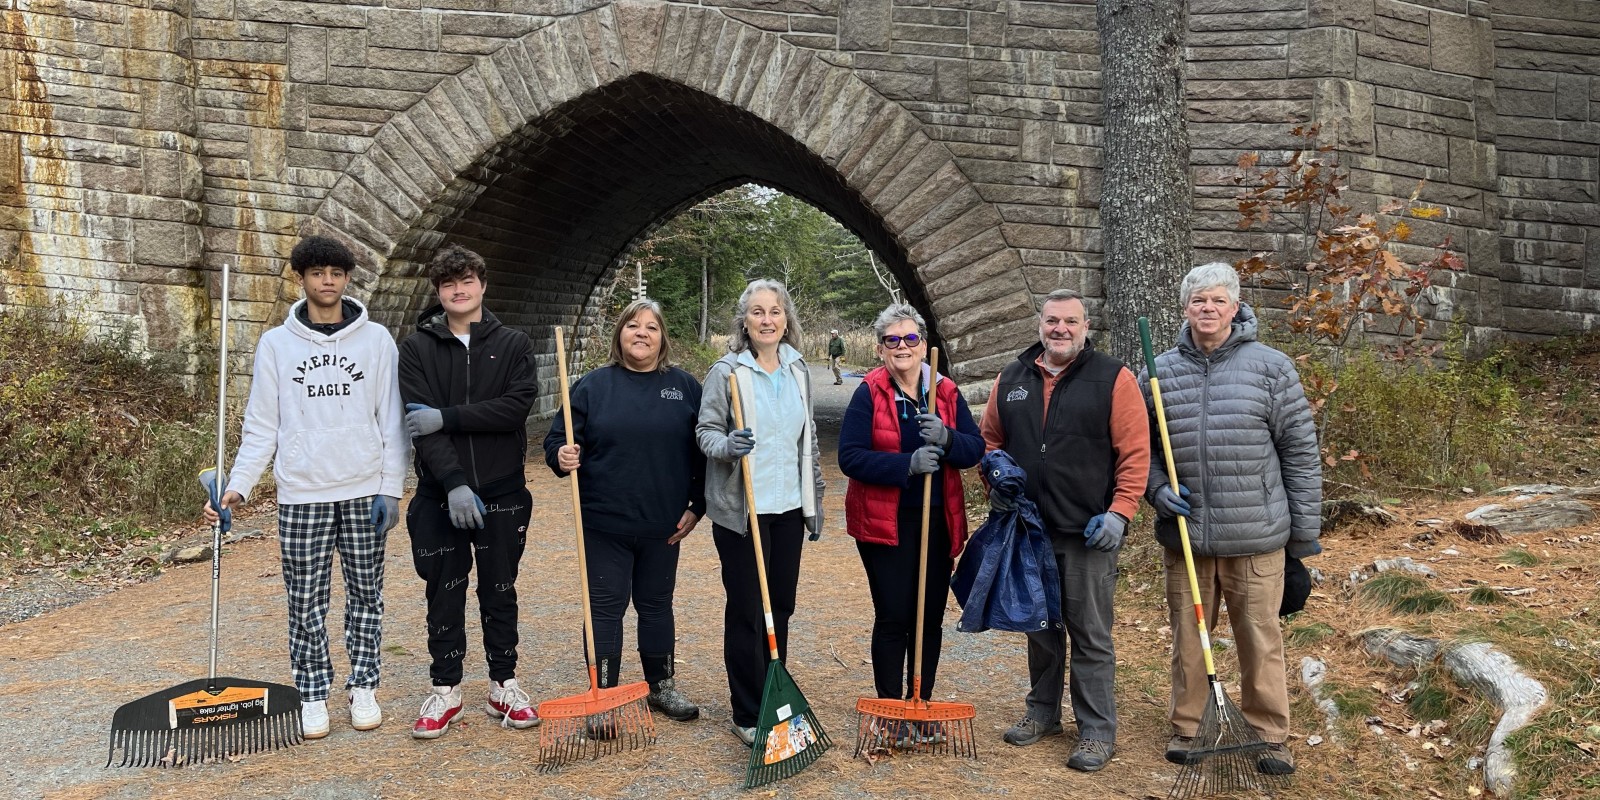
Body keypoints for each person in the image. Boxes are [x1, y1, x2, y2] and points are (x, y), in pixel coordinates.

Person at [203, 235, 407, 739]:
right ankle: (313, 693)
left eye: (336, 272)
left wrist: (391, 487)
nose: (327, 281)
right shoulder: (276, 344)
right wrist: (239, 487)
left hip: (362, 489)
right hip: (301, 494)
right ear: (302, 278)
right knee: (306, 600)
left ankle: (364, 687)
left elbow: (392, 420)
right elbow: (261, 426)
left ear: (347, 278)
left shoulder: (376, 340)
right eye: (317, 272)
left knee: (366, 594)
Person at [1139, 263, 1321, 776]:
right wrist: (1157, 489)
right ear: (1184, 309)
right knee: (1189, 638)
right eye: (1199, 300)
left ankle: (1268, 735)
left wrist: (1303, 540)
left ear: (1236, 307)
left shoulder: (1271, 367)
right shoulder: (1159, 372)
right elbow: (1138, 448)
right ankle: (1189, 727)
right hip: (1187, 537)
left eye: (1218, 300)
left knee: (1260, 638)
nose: (1208, 309)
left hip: (1257, 535)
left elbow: (1300, 453)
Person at [979, 288, 1150, 772]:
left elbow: (1135, 452)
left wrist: (1120, 512)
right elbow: (991, 441)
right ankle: (1043, 713)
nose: (1060, 329)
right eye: (1053, 320)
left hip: (1088, 531)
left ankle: (1096, 731)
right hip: (1029, 528)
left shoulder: (1112, 378)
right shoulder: (1011, 377)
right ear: (1040, 324)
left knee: (1091, 634)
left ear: (1085, 327)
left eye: (1070, 322)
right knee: (1040, 627)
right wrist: (994, 476)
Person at [397, 243, 539, 739]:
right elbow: (421, 425)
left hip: (503, 492)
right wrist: (455, 483)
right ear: (439, 292)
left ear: (482, 284)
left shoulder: (514, 343)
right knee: (444, 590)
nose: (459, 290)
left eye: (468, 281)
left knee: (500, 588)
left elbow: (514, 409)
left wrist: (451, 416)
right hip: (441, 496)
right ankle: (446, 689)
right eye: (449, 284)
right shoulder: (417, 348)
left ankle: (504, 683)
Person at [543, 298, 707, 724]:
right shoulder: (592, 387)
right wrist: (561, 456)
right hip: (603, 522)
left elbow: (705, 453)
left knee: (656, 605)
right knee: (604, 607)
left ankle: (661, 686)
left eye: (651, 327)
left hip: (664, 524)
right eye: (633, 325)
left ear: (662, 338)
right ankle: (605, 694)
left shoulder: (686, 388)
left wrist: (699, 505)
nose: (642, 333)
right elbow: (555, 440)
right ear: (620, 334)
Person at [838, 303, 983, 740]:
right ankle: (890, 710)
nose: (902, 347)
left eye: (910, 339)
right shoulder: (870, 391)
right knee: (895, 614)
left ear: (923, 344)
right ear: (881, 349)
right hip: (886, 523)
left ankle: (919, 704)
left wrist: (948, 437)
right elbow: (850, 456)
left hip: (937, 520)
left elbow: (974, 449)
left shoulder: (945, 391)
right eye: (892, 340)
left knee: (929, 616)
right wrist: (907, 464)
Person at [696, 278, 825, 747]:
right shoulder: (727, 372)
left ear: (785, 318)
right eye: (757, 312)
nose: (767, 319)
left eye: (774, 311)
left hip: (788, 506)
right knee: (751, 610)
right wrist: (727, 446)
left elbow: (807, 440)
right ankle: (747, 711)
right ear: (744, 321)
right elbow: (705, 431)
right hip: (743, 511)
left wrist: (816, 500)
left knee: (782, 608)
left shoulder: (798, 369)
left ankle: (776, 694)